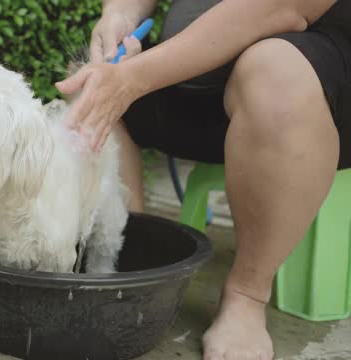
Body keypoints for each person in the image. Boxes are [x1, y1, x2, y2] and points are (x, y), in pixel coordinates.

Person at [56, 0, 351, 359]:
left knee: (277, 72)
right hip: (197, 74)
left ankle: (247, 294)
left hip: (313, 89)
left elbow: (283, 7)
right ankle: (125, 259)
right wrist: (120, 16)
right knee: (87, 79)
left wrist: (134, 79)